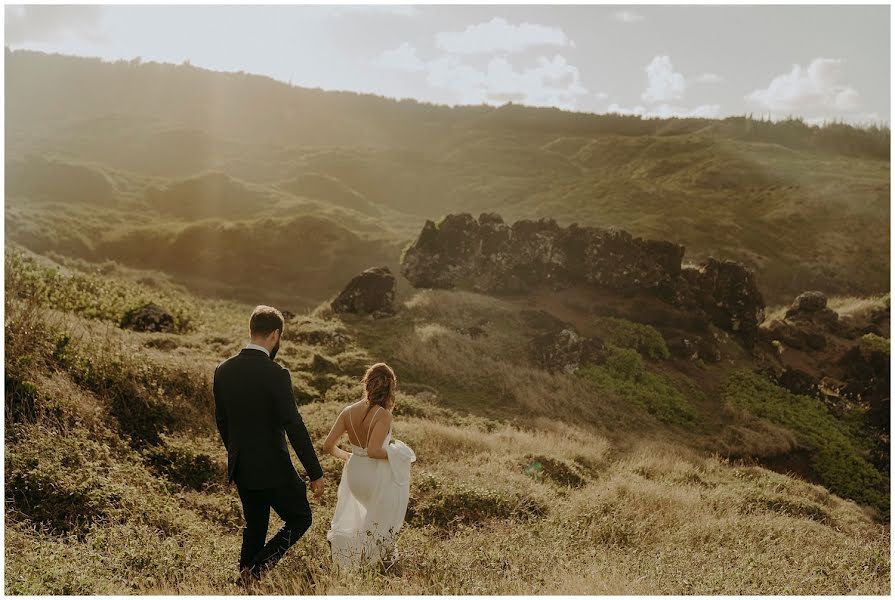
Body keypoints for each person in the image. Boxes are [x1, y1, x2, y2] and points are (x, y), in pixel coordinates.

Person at [212, 305, 324, 584]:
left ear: (251, 330)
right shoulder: (276, 373)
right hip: (273, 467)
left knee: (256, 525)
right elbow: (294, 425)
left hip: (241, 466)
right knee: (300, 518)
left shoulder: (223, 370)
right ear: (275, 335)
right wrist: (315, 472)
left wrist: (238, 453)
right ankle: (256, 571)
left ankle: (244, 582)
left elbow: (223, 422)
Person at [321, 362, 416, 570]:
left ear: (367, 383)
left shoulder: (348, 411)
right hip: (374, 475)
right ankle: (376, 564)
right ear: (390, 388)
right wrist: (396, 453)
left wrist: (347, 455)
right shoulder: (383, 415)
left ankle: (357, 558)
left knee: (366, 517)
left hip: (354, 473)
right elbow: (374, 451)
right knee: (380, 520)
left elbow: (328, 446)